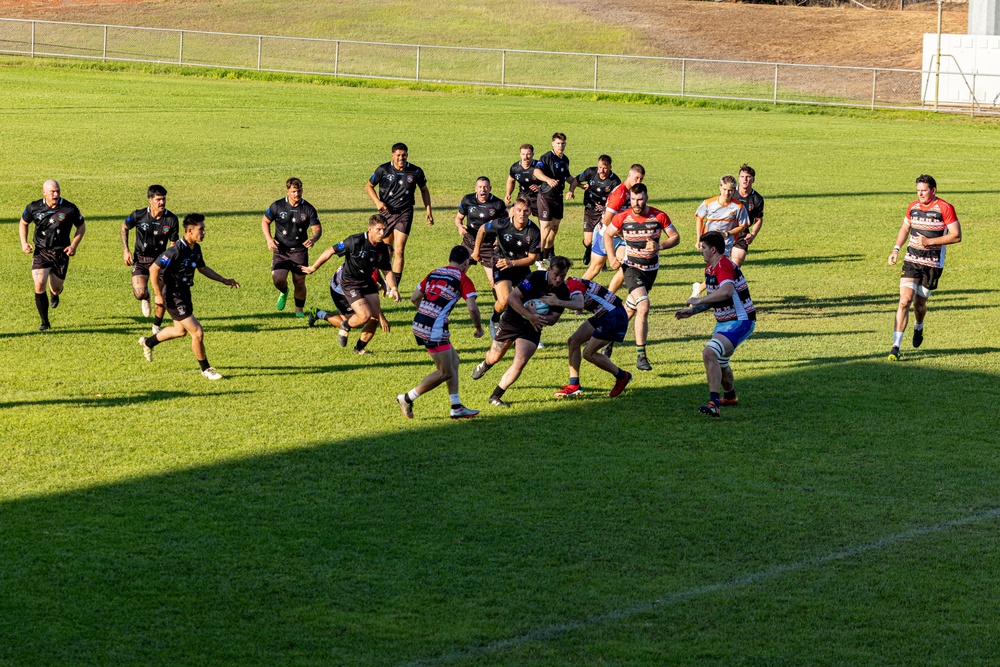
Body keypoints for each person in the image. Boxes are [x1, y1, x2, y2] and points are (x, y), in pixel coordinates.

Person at [471, 256, 583, 407]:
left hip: (533, 327)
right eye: (555, 274)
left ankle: (495, 396)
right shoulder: (535, 277)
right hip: (512, 321)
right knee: (494, 357)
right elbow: (512, 298)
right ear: (549, 270)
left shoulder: (562, 291)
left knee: (521, 360)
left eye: (562, 276)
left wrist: (538, 319)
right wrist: (530, 315)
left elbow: (554, 318)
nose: (558, 279)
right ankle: (485, 364)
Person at [139, 214, 240, 380]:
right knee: (197, 332)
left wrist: (224, 280)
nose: (204, 232)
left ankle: (148, 342)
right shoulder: (175, 251)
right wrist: (157, 295)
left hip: (185, 293)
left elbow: (203, 268)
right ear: (190, 231)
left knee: (179, 331)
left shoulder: (196, 249)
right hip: (173, 295)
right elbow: (153, 269)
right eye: (201, 229)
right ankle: (206, 369)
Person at [397, 245, 485, 420]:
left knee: (454, 361)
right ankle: (406, 398)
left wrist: (426, 312)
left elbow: (414, 297)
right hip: (434, 328)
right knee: (445, 372)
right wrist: (478, 328)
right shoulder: (463, 278)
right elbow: (473, 309)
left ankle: (456, 406)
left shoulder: (435, 272)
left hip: (421, 322)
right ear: (466, 262)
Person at [675, 231, 756, 418]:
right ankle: (730, 396)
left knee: (709, 352)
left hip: (740, 321)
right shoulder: (710, 269)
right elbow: (716, 298)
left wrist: (697, 300)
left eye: (703, 248)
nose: (701, 251)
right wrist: (692, 311)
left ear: (712, 249)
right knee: (720, 361)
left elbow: (726, 291)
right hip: (724, 322)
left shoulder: (724, 265)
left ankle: (714, 403)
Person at [886, 174, 962, 361]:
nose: (920, 194)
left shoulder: (945, 208)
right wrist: (896, 249)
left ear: (933, 190)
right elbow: (905, 228)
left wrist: (930, 241)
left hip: (933, 264)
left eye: (924, 190)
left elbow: (956, 235)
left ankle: (918, 326)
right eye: (918, 190)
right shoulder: (913, 207)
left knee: (919, 305)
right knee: (904, 301)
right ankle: (895, 346)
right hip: (911, 260)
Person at [605, 183, 679, 372]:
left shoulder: (658, 216)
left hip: (651, 270)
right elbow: (608, 234)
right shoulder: (623, 217)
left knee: (629, 311)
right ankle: (641, 356)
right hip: (631, 268)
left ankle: (608, 339)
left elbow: (675, 237)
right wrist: (612, 257)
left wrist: (659, 246)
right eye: (633, 199)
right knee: (643, 306)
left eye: (640, 199)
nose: (636, 203)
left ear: (646, 197)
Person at [303, 215, 400, 353]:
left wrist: (393, 287)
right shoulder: (355, 241)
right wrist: (313, 267)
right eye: (378, 230)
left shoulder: (382, 248)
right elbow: (330, 250)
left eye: (384, 230)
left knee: (373, 319)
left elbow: (387, 271)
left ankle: (359, 349)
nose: (382, 233)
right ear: (370, 229)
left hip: (367, 282)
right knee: (363, 316)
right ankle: (342, 324)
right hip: (350, 284)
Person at [18, 179, 86, 331]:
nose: (56, 194)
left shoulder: (69, 208)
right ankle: (45, 323)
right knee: (39, 283)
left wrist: (73, 245)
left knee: (56, 288)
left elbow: (81, 227)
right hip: (41, 251)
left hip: (61, 253)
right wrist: (24, 243)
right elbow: (23, 223)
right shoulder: (33, 207)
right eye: (52, 192)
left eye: (58, 191)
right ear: (44, 192)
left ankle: (54, 294)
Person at [472, 197, 541, 339]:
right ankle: (495, 319)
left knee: (530, 303)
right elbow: (482, 229)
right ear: (513, 211)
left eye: (526, 211)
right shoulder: (502, 224)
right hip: (501, 264)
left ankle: (531, 335)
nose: (522, 214)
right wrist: (476, 251)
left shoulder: (534, 231)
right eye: (519, 210)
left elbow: (532, 259)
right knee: (504, 301)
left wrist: (513, 263)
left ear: (529, 212)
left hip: (520, 266)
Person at [365, 142, 433, 287]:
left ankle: (393, 286)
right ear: (392, 156)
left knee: (399, 249)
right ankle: (381, 282)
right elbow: (369, 186)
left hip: (405, 212)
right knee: (385, 251)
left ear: (407, 155)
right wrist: (377, 202)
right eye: (398, 155)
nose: (401, 158)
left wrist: (428, 210)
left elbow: (424, 189)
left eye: (404, 155)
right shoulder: (383, 169)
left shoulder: (416, 171)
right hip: (386, 213)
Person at [555, 276, 632, 398]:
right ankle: (574, 385)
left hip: (613, 317)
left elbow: (579, 305)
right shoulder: (570, 283)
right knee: (573, 341)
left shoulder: (573, 285)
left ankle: (622, 376)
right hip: (603, 314)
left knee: (588, 353)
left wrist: (556, 302)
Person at [122, 184, 179, 334]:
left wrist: (170, 265)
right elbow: (124, 227)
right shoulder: (138, 215)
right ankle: (146, 296)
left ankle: (156, 326)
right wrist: (126, 250)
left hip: (160, 262)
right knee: (139, 293)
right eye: (158, 199)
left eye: (164, 199)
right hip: (141, 260)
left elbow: (173, 246)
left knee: (161, 296)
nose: (162, 202)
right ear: (150, 200)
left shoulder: (171, 220)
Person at [261, 177, 322, 317]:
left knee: (299, 281)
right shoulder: (277, 206)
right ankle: (284, 291)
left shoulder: (308, 208)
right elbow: (265, 221)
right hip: (280, 250)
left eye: (299, 191)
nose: (297, 194)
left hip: (299, 251)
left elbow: (317, 229)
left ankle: (299, 311)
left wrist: (313, 238)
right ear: (287, 191)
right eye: (294, 191)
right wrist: (269, 239)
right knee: (278, 279)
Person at [581, 163, 645, 294]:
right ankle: (574, 293)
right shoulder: (620, 194)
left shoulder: (632, 193)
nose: (638, 182)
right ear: (629, 175)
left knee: (626, 267)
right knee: (595, 269)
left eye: (641, 179)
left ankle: (608, 297)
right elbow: (606, 220)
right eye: (636, 178)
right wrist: (621, 232)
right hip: (605, 234)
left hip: (620, 236)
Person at [306, 265, 388, 355]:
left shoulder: (373, 257)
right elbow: (370, 299)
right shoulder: (364, 262)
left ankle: (359, 349)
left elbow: (375, 269)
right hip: (341, 290)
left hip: (352, 286)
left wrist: (382, 282)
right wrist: (382, 318)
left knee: (366, 318)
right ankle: (318, 313)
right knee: (352, 321)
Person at [692, 174, 748, 298]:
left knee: (719, 269)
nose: (727, 193)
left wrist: (728, 233)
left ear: (734, 190)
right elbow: (699, 219)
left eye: (730, 191)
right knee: (715, 269)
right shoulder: (709, 203)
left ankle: (705, 292)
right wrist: (698, 239)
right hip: (708, 243)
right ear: (720, 188)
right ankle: (705, 291)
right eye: (724, 189)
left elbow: (742, 226)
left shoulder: (738, 207)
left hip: (725, 244)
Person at [568, 155, 620, 267]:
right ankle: (588, 249)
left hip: (605, 214)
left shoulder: (615, 181)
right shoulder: (590, 172)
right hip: (589, 210)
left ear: (610, 167)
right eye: (600, 167)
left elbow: (617, 201)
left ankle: (602, 261)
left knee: (602, 237)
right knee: (588, 241)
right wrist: (571, 190)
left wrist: (606, 208)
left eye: (605, 168)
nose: (601, 171)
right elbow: (576, 180)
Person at [455, 176, 507, 288]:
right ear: (475, 188)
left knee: (494, 281)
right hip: (469, 243)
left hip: (488, 246)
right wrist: (460, 226)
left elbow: (506, 225)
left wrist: (499, 239)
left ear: (490, 188)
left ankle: (502, 304)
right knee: (457, 276)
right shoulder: (468, 200)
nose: (483, 190)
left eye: (485, 187)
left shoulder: (498, 204)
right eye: (480, 187)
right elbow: (458, 218)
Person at [532, 132, 570, 268]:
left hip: (558, 197)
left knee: (554, 228)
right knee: (545, 228)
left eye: (563, 143)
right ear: (553, 144)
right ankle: (539, 259)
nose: (561, 146)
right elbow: (536, 172)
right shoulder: (546, 157)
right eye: (558, 143)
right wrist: (548, 179)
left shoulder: (565, 159)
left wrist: (577, 186)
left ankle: (547, 256)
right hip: (545, 197)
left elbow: (567, 176)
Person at [730, 164, 765, 267]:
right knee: (717, 266)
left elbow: (758, 219)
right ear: (739, 179)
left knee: (735, 266)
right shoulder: (730, 192)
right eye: (742, 177)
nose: (745, 179)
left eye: (748, 177)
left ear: (753, 180)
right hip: (725, 230)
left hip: (742, 233)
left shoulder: (757, 199)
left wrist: (753, 234)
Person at [505, 143, 541, 218]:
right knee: (512, 212)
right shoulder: (515, 168)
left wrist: (540, 188)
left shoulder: (540, 166)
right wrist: (508, 194)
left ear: (533, 154)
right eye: (523, 154)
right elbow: (511, 181)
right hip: (523, 195)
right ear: (520, 154)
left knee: (544, 221)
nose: (526, 157)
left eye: (528, 154)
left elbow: (549, 181)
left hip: (538, 196)